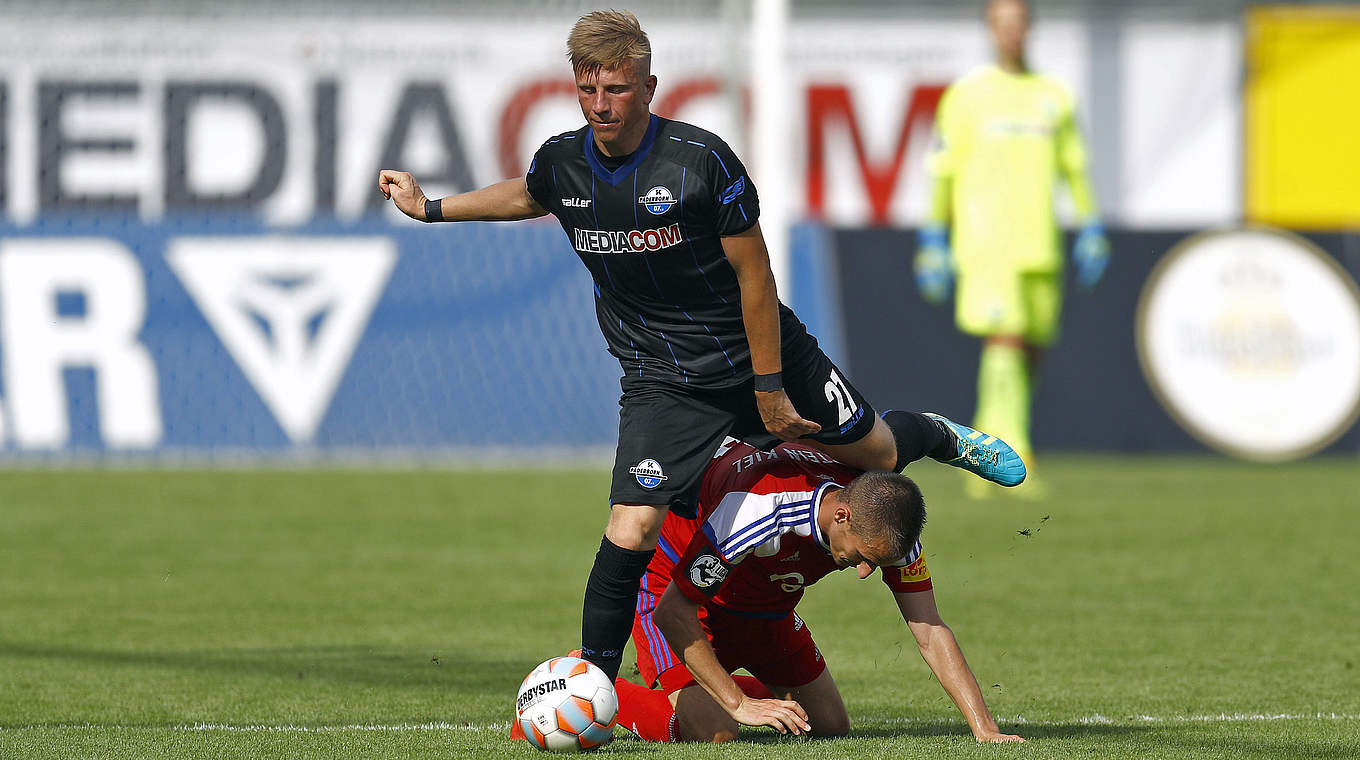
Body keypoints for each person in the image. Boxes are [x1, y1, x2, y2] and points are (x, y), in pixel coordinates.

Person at [379, 10, 1025, 682]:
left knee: (879, 453)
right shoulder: (562, 161)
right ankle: (594, 685)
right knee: (632, 525)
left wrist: (769, 390)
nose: (602, 105)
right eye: (588, 89)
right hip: (663, 379)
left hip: (760, 352)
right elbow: (531, 194)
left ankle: (947, 439)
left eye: (618, 89)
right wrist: (431, 207)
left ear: (650, 86)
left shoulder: (699, 161)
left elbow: (756, 276)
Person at [609, 438, 1024, 744]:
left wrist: (984, 728)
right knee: (717, 730)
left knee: (826, 725)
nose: (865, 572)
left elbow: (929, 628)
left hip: (764, 604)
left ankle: (713, 692)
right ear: (841, 515)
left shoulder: (890, 531)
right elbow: (673, 610)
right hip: (676, 591)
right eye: (862, 557)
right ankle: (597, 686)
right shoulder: (760, 508)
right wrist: (737, 703)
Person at [914, 0, 1108, 496]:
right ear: (990, 28)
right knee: (1006, 340)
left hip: (1039, 241)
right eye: (1001, 23)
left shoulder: (1053, 96)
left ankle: (988, 450)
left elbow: (1074, 165)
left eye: (1018, 22)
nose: (1010, 32)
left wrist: (1090, 224)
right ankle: (1006, 458)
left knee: (1033, 348)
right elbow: (943, 169)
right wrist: (933, 237)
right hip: (986, 243)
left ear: (1029, 28)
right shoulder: (967, 96)